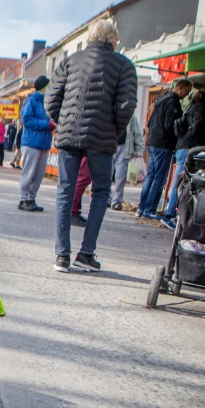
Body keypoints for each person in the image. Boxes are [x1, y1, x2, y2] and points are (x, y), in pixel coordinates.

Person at [46, 19, 137, 273]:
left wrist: (62, 121)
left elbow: (52, 98)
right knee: (100, 193)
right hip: (102, 138)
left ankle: (61, 255)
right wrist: (114, 130)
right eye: (116, 41)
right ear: (111, 40)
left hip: (69, 135)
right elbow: (127, 105)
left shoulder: (69, 61)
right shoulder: (123, 65)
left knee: (65, 191)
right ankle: (86, 254)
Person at [160, 85, 205, 230]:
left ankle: (172, 212)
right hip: (190, 148)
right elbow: (198, 126)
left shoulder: (191, 106)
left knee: (179, 181)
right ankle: (169, 215)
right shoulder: (202, 109)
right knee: (181, 182)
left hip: (182, 146)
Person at [137, 79, 193, 219]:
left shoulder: (160, 100)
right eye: (186, 91)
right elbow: (170, 125)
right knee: (159, 178)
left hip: (152, 141)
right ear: (180, 88)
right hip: (163, 143)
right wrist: (179, 134)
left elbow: (150, 122)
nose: (186, 95)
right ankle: (149, 209)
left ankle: (142, 207)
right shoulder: (172, 102)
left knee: (151, 176)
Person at [18, 75, 54, 212]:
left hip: (43, 143)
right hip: (31, 142)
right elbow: (26, 120)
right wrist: (46, 124)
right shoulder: (31, 101)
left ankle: (31, 199)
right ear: (44, 87)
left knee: (38, 174)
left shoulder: (47, 102)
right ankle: (23, 199)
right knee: (29, 172)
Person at [110, 114, 143, 210]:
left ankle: (116, 201)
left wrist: (139, 150)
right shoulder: (109, 109)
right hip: (109, 145)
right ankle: (106, 198)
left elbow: (137, 133)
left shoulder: (131, 115)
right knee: (106, 174)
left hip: (124, 147)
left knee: (120, 176)